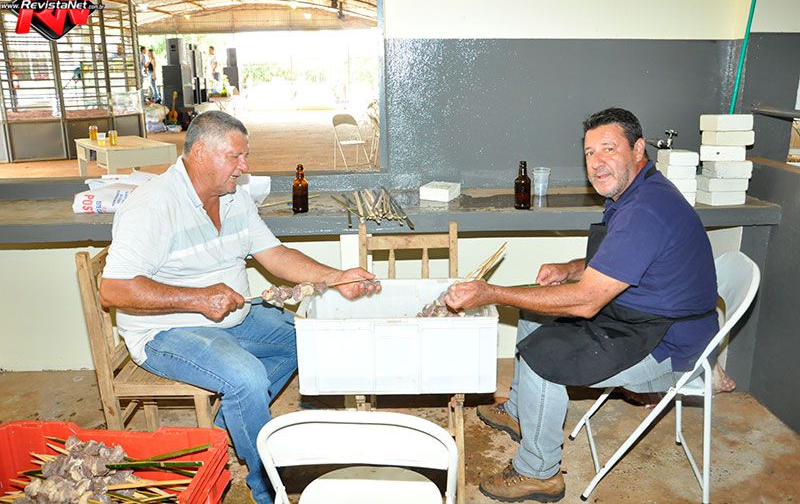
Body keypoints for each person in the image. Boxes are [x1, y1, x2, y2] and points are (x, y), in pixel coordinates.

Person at [100, 110, 380, 504]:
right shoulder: (152, 205)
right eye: (235, 156)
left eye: (245, 156)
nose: (244, 166)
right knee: (246, 378)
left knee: (310, 341)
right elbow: (113, 291)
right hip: (165, 331)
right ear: (200, 152)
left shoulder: (234, 196)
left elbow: (274, 254)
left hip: (234, 318)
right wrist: (197, 298)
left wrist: (334, 277)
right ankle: (268, 489)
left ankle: (231, 420)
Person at [444, 107, 720, 503]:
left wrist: (491, 293)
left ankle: (539, 473)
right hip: (640, 314)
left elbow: (588, 301)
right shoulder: (636, 192)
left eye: (609, 149)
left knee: (544, 357)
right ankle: (522, 413)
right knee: (535, 312)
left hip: (668, 343)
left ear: (638, 149)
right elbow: (621, 262)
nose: (597, 162)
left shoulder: (645, 210)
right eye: (590, 152)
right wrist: (571, 269)